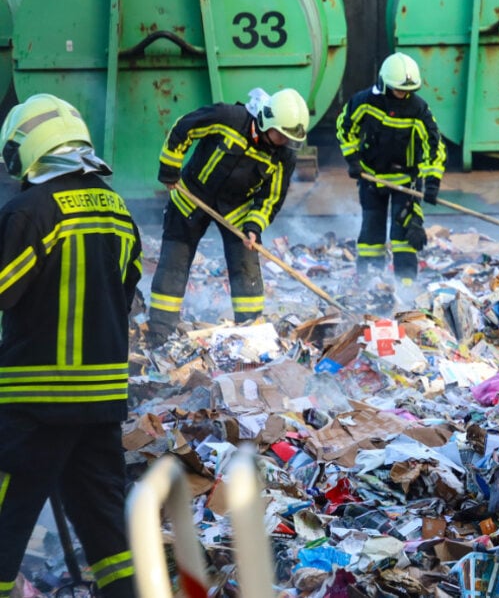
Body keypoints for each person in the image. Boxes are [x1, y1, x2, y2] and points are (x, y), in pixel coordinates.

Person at [0, 94, 142, 597]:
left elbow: (4, 291)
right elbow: (125, 292)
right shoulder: (117, 208)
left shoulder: (28, 211)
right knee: (108, 529)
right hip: (102, 404)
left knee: (5, 524)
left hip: (33, 405)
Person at [148, 87, 308, 345]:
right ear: (267, 120)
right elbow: (184, 128)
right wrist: (169, 167)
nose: (284, 142)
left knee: (246, 267)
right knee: (174, 263)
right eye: (281, 135)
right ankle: (160, 333)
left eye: (289, 138)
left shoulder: (284, 156)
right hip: (191, 197)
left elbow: (271, 198)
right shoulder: (229, 118)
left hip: (237, 211)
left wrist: (255, 225)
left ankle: (251, 331)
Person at [336, 52, 446, 286]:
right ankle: (369, 283)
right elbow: (345, 128)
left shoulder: (418, 110)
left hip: (405, 182)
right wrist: (352, 159)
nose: (403, 95)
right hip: (371, 178)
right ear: (384, 84)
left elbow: (434, 147)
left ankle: (405, 288)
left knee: (405, 236)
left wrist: (432, 182)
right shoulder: (364, 102)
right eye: (398, 90)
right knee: (371, 236)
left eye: (408, 90)